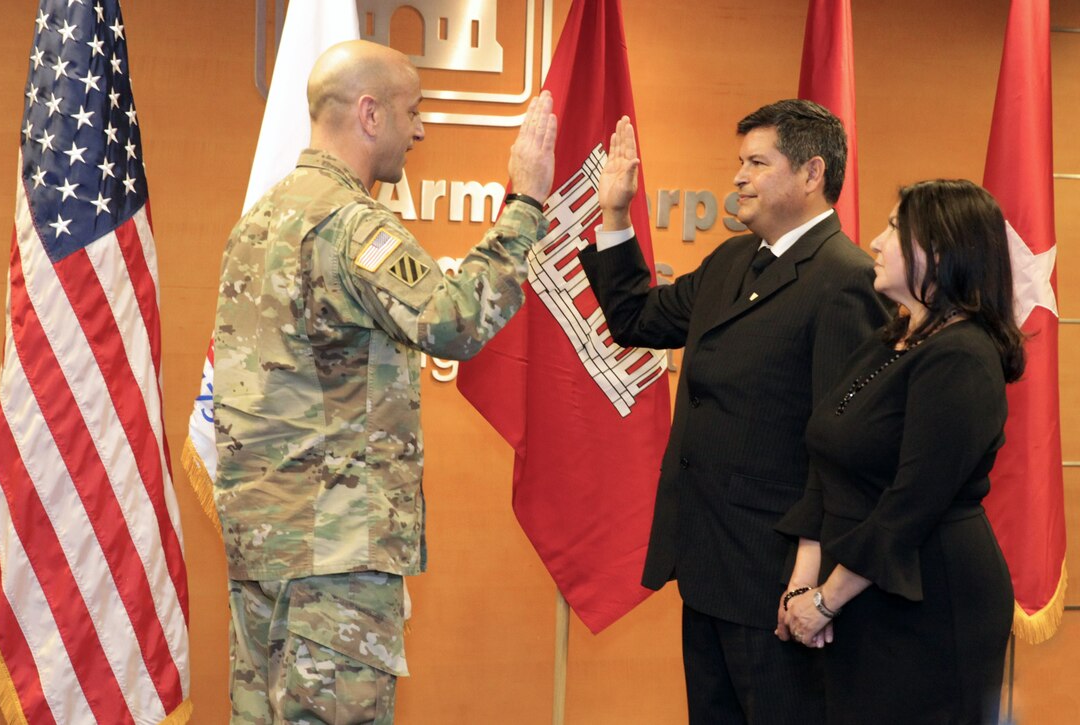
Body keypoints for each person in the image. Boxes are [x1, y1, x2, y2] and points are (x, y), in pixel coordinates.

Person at [210, 40, 556, 724]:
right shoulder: (351, 226)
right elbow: (455, 321)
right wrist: (525, 203)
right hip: (332, 559)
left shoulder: (258, 221)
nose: (420, 128)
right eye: (412, 110)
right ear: (369, 114)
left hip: (265, 549)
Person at [580, 100, 890, 723]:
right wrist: (615, 214)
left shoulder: (845, 278)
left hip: (775, 577)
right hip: (706, 561)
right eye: (738, 162)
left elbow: (843, 447)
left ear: (810, 173)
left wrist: (813, 574)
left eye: (756, 162)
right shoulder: (732, 260)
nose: (738, 178)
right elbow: (635, 318)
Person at [777, 179, 1024, 723]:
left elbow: (910, 506)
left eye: (894, 228)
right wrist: (804, 581)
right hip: (860, 590)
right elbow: (827, 458)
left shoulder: (962, 356)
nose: (876, 241)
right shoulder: (894, 337)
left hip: (930, 604)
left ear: (942, 253)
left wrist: (824, 601)